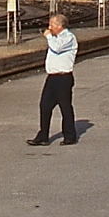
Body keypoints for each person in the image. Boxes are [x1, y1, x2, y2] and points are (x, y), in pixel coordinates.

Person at [27, 13, 79, 146]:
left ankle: (70, 135)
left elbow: (57, 48)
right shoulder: (55, 38)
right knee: (45, 106)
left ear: (60, 26)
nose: (49, 28)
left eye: (52, 25)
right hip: (52, 78)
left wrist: (49, 36)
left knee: (65, 106)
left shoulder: (69, 37)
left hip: (63, 77)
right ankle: (43, 135)